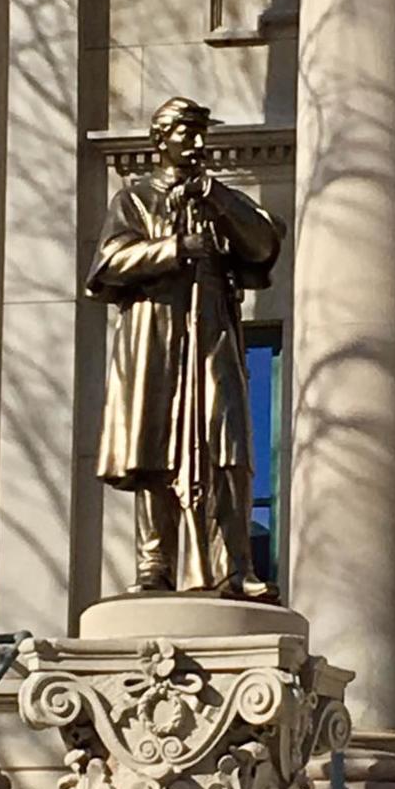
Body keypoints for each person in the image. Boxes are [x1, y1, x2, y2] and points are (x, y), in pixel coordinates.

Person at [86, 96, 284, 596]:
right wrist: (175, 250)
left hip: (212, 328)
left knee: (226, 441)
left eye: (200, 133)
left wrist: (217, 199)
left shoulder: (217, 197)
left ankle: (235, 566)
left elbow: (262, 245)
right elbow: (107, 265)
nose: (196, 144)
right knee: (154, 446)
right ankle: (155, 565)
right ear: (161, 139)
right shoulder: (134, 198)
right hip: (154, 331)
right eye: (184, 133)